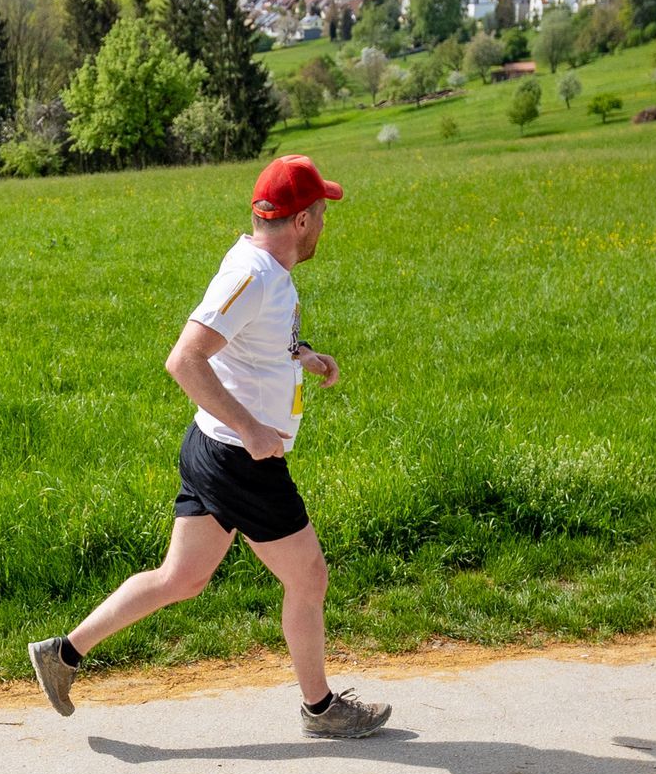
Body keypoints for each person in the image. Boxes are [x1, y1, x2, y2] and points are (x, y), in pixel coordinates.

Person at [29, 155, 391, 739]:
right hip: (239, 460)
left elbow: (254, 344)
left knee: (181, 578)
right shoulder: (252, 275)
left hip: (212, 448)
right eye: (321, 212)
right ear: (300, 220)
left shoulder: (262, 269)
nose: (325, 222)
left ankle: (62, 654)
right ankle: (321, 709)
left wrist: (305, 357)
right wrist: (251, 429)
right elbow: (185, 359)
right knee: (310, 578)